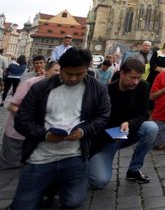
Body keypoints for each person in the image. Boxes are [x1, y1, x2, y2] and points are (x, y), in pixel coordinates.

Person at [11, 48, 110, 209]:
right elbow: (22, 120)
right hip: (40, 157)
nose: (73, 78)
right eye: (68, 73)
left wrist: (84, 131)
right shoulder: (41, 88)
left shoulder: (97, 88)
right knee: (23, 205)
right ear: (60, 69)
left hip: (75, 156)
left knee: (74, 201)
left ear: (87, 69)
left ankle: (52, 197)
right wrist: (45, 135)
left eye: (79, 74)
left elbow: (103, 116)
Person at [89, 58, 159, 188]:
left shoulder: (143, 87)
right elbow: (97, 122)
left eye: (138, 78)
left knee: (151, 127)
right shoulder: (106, 91)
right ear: (122, 73)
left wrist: (129, 123)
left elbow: (143, 114)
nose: (135, 82)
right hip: (107, 138)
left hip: (128, 132)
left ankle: (134, 170)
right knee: (98, 181)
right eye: (132, 78)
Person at [0, 61, 60, 170]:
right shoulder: (31, 83)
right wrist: (29, 119)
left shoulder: (60, 88)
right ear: (46, 71)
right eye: (56, 70)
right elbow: (11, 106)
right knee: (9, 169)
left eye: (61, 71)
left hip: (38, 136)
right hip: (17, 134)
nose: (59, 73)